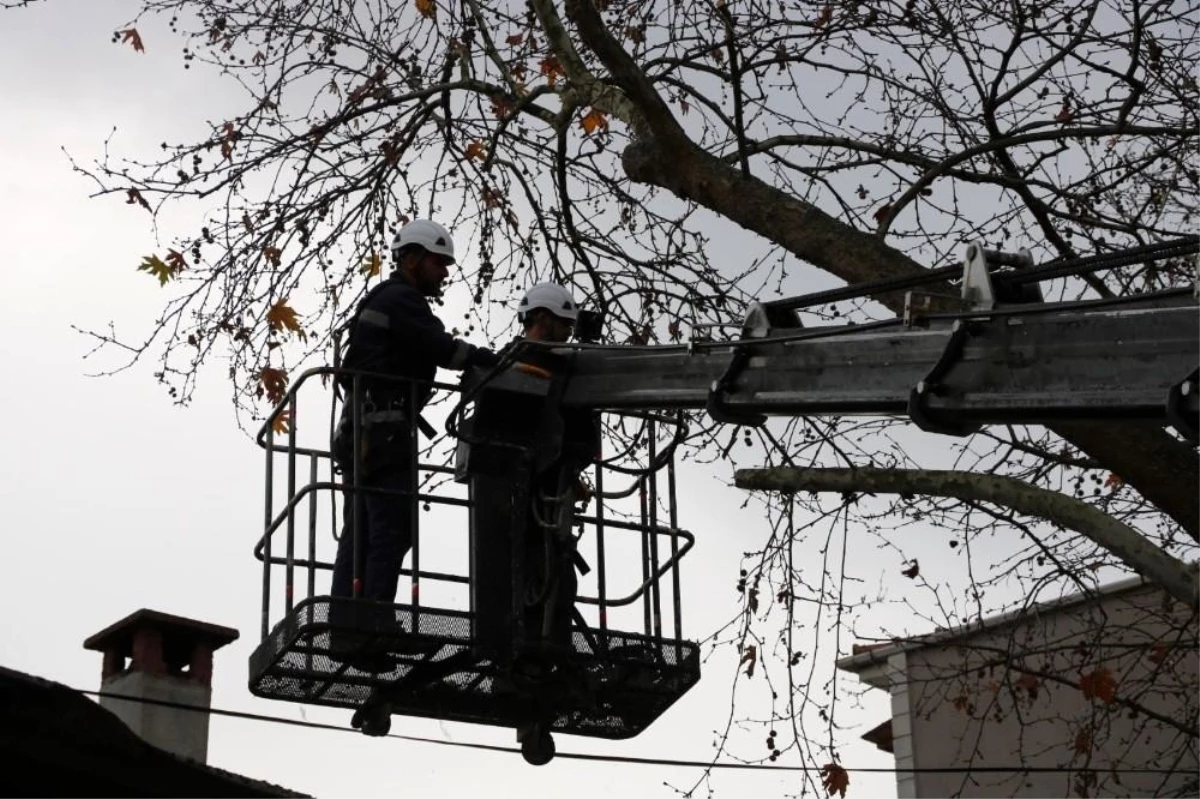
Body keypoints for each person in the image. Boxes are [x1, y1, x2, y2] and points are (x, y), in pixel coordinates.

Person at [329, 218, 499, 667]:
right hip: (383, 431)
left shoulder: (388, 299)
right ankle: (373, 624)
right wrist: (490, 363)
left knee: (362, 529)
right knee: (391, 527)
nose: (444, 273)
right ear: (410, 259)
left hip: (363, 431)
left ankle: (348, 628)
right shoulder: (401, 299)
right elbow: (439, 348)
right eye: (437, 263)